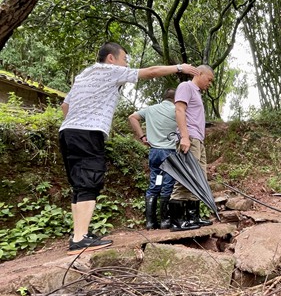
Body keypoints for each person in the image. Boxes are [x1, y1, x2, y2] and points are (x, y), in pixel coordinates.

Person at [59, 42, 200, 255]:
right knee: (90, 181)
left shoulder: (84, 75)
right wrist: (179, 67)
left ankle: (80, 233)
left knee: (80, 184)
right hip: (89, 132)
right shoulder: (109, 71)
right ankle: (80, 239)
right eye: (124, 59)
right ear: (111, 58)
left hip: (68, 132)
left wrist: (76, 123)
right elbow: (151, 72)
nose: (126, 64)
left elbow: (65, 106)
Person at [169, 64, 215, 231]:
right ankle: (177, 220)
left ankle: (192, 217)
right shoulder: (186, 86)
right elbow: (179, 110)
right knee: (186, 176)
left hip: (198, 140)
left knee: (198, 178)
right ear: (199, 73)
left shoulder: (197, 93)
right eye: (209, 79)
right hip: (190, 138)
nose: (209, 84)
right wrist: (185, 137)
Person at [128, 88, 177, 230]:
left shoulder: (150, 109)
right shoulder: (177, 110)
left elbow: (132, 117)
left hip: (154, 152)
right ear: (175, 99)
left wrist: (142, 136)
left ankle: (150, 222)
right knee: (168, 184)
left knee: (155, 182)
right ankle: (165, 221)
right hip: (169, 152)